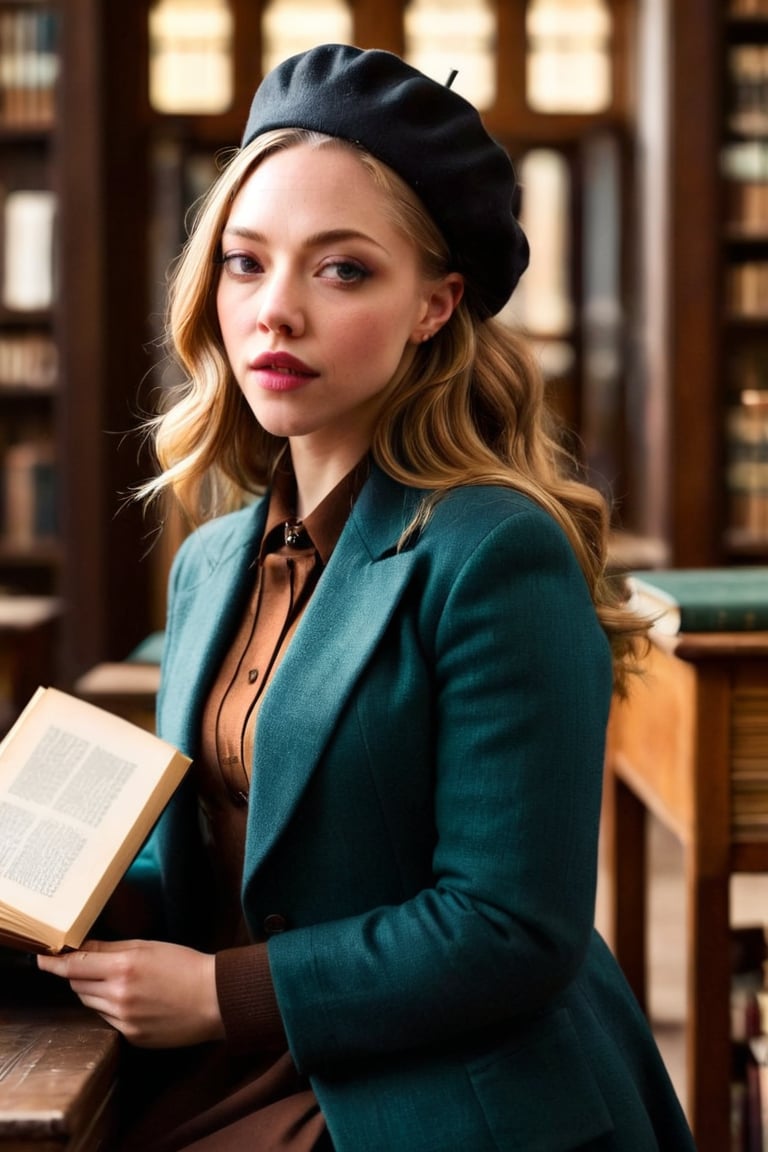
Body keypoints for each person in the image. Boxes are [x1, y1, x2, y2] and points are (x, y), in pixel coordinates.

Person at [39, 43, 696, 1152]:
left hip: (439, 1089)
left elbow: (510, 929)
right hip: (229, 1065)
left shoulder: (497, 551)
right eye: (246, 264)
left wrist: (216, 995)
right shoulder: (211, 562)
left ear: (435, 306)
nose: (275, 312)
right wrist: (59, 898)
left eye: (341, 270)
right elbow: (220, 854)